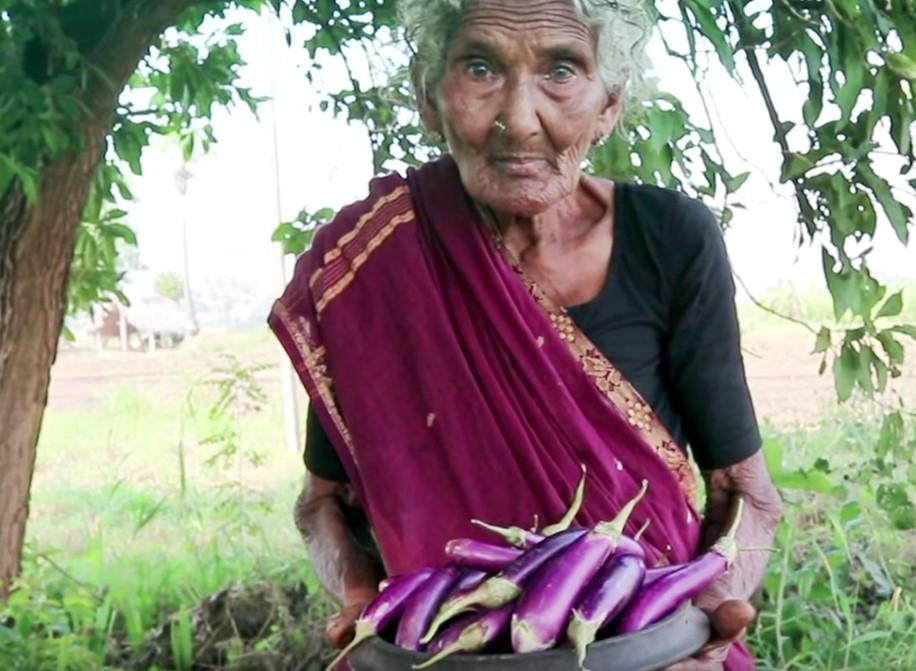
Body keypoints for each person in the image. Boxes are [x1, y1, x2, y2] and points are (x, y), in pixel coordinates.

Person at [268, 1, 783, 669]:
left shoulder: (671, 240)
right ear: (430, 98)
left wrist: (699, 620)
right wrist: (365, 606)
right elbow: (321, 506)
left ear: (609, 105)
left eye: (562, 71)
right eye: (480, 67)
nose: (518, 117)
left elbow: (748, 492)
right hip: (448, 653)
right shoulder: (379, 264)